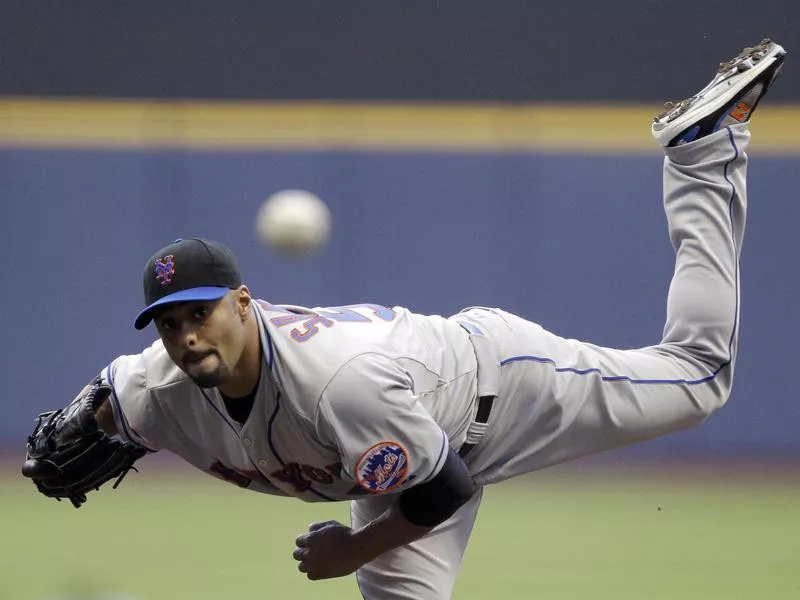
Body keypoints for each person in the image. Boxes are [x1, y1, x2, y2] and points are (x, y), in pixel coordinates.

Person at [22, 39, 787, 599]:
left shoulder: (338, 384)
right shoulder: (157, 385)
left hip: (493, 391)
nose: (186, 336)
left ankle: (703, 151)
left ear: (244, 304)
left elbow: (444, 488)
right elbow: (104, 402)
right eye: (166, 323)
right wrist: (83, 424)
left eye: (201, 314)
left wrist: (354, 551)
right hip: (398, 446)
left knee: (699, 382)